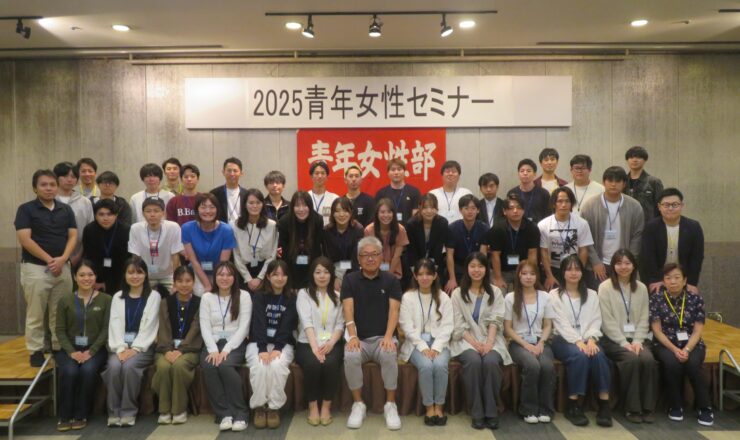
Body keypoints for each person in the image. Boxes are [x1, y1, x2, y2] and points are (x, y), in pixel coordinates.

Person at [15, 169, 77, 366]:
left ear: (57, 187)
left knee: (61, 311)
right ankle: (35, 350)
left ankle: (59, 347)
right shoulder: (26, 209)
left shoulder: (65, 209)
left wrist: (63, 259)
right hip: (36, 268)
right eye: (44, 185)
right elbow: (25, 239)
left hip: (63, 267)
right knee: (36, 312)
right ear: (35, 188)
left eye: (52, 184)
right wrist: (51, 260)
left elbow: (73, 236)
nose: (49, 188)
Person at [342, 236, 402, 430]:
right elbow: (348, 310)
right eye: (365, 255)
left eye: (374, 254)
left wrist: (388, 336)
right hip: (359, 338)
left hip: (382, 338)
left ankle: (390, 405)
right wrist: (352, 336)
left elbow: (394, 311)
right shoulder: (350, 280)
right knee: (351, 355)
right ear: (358, 258)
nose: (370, 258)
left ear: (381, 256)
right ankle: (358, 404)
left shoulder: (391, 280)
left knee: (389, 352)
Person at [548, 255, 612, 427]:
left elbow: (596, 320)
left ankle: (604, 404)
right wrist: (578, 341)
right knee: (580, 356)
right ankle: (573, 404)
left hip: (588, 339)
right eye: (569, 269)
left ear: (582, 272)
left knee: (599, 356)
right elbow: (560, 323)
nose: (573, 273)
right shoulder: (554, 295)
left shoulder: (592, 294)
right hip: (563, 340)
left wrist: (591, 339)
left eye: (577, 269)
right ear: (563, 272)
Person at [449, 252, 510, 430]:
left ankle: (491, 411)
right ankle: (477, 412)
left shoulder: (496, 292)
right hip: (465, 340)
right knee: (474, 361)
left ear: (486, 269)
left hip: (491, 339)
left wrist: (489, 343)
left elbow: (496, 320)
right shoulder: (457, 294)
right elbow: (458, 324)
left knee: (491, 361)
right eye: (473, 266)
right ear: (467, 269)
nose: (477, 270)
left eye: (481, 266)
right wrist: (475, 344)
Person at [650, 263, 713, 426]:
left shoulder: (695, 299)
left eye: (677, 277)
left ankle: (705, 407)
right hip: (665, 344)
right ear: (663, 281)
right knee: (672, 363)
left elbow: (697, 331)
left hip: (692, 344)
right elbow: (657, 330)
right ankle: (676, 405)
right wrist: (674, 349)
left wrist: (686, 349)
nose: (673, 281)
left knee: (692, 363)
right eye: (668, 278)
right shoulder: (656, 299)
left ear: (685, 280)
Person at [598, 249, 656, 424]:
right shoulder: (605, 287)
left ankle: (648, 408)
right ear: (613, 266)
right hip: (613, 340)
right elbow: (606, 321)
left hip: (637, 339)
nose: (623, 267)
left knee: (648, 359)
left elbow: (645, 317)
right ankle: (632, 409)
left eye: (627, 263)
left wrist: (637, 341)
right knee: (631, 360)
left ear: (634, 266)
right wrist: (624, 342)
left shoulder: (642, 288)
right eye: (619, 263)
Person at [54, 260, 111, 431]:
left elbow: (106, 329)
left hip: (95, 349)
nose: (86, 278)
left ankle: (81, 414)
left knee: (87, 370)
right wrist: (72, 352)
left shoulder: (106, 299)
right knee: (69, 372)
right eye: (82, 275)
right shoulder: (65, 300)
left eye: (90, 275)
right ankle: (65, 415)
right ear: (74, 277)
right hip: (69, 349)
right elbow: (60, 330)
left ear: (95, 277)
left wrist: (91, 352)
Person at [103, 256, 161, 427]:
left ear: (146, 275)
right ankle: (113, 412)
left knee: (129, 367)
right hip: (119, 347)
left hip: (143, 347)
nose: (135, 276)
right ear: (124, 275)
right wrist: (120, 348)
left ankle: (128, 411)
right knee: (113, 366)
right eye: (130, 272)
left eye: (139, 272)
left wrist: (135, 348)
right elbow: (114, 324)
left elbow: (150, 326)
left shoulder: (154, 296)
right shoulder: (117, 297)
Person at [399, 259, 453, 427]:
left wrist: (436, 347)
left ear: (435, 275)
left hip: (440, 342)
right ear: (415, 276)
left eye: (428, 274)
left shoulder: (444, 297)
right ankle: (429, 407)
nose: (424, 278)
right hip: (415, 343)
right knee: (426, 365)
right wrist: (423, 347)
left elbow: (448, 326)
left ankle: (439, 407)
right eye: (420, 274)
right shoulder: (407, 297)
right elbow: (406, 327)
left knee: (440, 365)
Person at [199, 261, 252, 432]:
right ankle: (224, 414)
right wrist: (214, 350)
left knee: (225, 365)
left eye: (229, 274)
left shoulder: (244, 296)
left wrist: (226, 350)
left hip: (235, 343)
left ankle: (241, 413)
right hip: (213, 343)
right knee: (209, 365)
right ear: (215, 277)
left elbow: (244, 328)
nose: (224, 278)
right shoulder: (207, 297)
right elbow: (205, 326)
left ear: (235, 278)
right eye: (221, 274)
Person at [504, 260, 557, 424]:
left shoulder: (545, 297)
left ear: (537, 276)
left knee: (547, 366)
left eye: (532, 274)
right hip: (518, 343)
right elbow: (508, 328)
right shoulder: (510, 297)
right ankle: (528, 409)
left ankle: (545, 409)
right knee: (532, 365)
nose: (528, 277)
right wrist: (526, 345)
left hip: (540, 341)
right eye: (524, 273)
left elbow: (547, 325)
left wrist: (541, 343)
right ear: (518, 275)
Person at [247, 260, 298, 429]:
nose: (280, 278)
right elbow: (258, 323)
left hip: (282, 343)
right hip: (258, 342)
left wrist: (277, 348)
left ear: (288, 277)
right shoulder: (259, 296)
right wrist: (262, 349)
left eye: (283, 274)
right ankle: (260, 407)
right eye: (275, 274)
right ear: (268, 276)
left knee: (277, 366)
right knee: (260, 366)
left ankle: (274, 407)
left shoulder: (291, 298)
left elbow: (287, 325)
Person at [295, 257, 345, 426]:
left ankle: (326, 407)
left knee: (331, 364)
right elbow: (306, 322)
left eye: (326, 272)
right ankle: (313, 407)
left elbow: (340, 324)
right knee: (313, 364)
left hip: (332, 342)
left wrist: (331, 343)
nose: (322, 276)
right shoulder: (304, 294)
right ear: (312, 274)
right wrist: (315, 348)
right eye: (318, 272)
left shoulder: (338, 297)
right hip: (307, 342)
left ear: (332, 275)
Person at [151, 266, 202, 425]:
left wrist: (181, 350)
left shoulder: (200, 303)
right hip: (166, 349)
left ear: (193, 282)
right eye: (180, 281)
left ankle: (179, 410)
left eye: (188, 281)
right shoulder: (166, 302)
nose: (184, 284)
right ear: (174, 283)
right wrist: (167, 350)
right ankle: (164, 410)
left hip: (190, 349)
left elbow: (195, 328)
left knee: (179, 366)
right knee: (164, 367)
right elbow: (163, 328)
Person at [581, 166, 644, 289]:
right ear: (604, 182)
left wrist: (627, 262)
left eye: (618, 181)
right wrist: (595, 262)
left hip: (624, 265)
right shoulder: (589, 206)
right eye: (610, 180)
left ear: (624, 184)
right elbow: (585, 238)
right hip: (597, 265)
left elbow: (637, 236)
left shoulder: (635, 206)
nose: (613, 184)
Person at [641, 188, 704, 294]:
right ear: (659, 207)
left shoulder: (694, 227)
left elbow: (696, 257)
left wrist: (691, 282)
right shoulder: (651, 227)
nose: (670, 208)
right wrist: (655, 280)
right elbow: (648, 257)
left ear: (682, 206)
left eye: (675, 205)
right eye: (666, 205)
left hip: (683, 279)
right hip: (658, 279)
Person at [538, 187, 594, 290]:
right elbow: (543, 252)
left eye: (567, 201)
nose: (563, 205)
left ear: (571, 203)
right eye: (560, 201)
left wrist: (578, 271)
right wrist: (549, 276)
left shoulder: (582, 223)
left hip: (573, 268)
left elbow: (583, 250)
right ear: (554, 204)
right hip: (552, 268)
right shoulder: (543, 225)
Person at [182, 193, 236, 296]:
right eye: (203, 207)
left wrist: (215, 285)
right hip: (197, 272)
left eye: (212, 207)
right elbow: (193, 261)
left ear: (217, 209)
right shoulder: (187, 228)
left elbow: (222, 263)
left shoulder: (226, 230)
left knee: (219, 295)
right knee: (200, 294)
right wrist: (207, 285)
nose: (207, 211)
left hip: (220, 272)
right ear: (197, 209)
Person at [482, 195, 540, 292]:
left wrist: (530, 274)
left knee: (529, 292)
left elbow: (532, 254)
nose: (515, 211)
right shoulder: (498, 229)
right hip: (502, 270)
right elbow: (495, 255)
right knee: (499, 292)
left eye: (519, 208)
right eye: (511, 208)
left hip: (523, 270)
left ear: (523, 210)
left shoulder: (532, 228)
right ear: (504, 211)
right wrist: (498, 278)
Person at [128, 197, 183, 290]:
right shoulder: (135, 228)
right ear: (143, 213)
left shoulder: (173, 227)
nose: (152, 214)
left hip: (169, 276)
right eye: (148, 211)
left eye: (156, 211)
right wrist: (138, 277)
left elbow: (175, 256)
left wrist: (176, 280)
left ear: (163, 213)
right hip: (145, 276)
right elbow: (136, 257)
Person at [233, 188, 278, 292]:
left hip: (265, 271)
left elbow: (272, 254)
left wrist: (260, 278)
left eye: (258, 202)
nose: (255, 206)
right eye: (251, 203)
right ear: (245, 205)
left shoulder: (271, 225)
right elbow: (236, 255)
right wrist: (248, 279)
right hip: (243, 272)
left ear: (263, 204)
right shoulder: (237, 225)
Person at [277, 191, 325, 289]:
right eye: (297, 206)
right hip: (291, 263)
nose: (301, 209)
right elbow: (284, 253)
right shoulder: (284, 222)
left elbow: (317, 248)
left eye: (305, 205)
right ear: (292, 207)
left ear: (310, 206)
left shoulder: (318, 220)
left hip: (312, 262)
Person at [82, 199, 131, 294]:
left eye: (109, 214)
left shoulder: (126, 230)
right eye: (101, 214)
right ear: (95, 215)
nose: (105, 218)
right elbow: (88, 257)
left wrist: (110, 283)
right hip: (95, 279)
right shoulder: (89, 230)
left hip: (120, 278)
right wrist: (95, 280)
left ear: (116, 215)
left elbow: (126, 260)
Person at [445, 194, 487, 293]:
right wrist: (452, 279)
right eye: (466, 208)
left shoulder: (484, 228)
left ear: (478, 210)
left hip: (476, 267)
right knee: (452, 290)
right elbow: (449, 255)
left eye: (473, 208)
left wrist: (482, 276)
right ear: (460, 210)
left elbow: (483, 254)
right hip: (458, 267)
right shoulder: (452, 228)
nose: (470, 211)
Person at [54, 161, 94, 264]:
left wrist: (79, 255)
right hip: (52, 255)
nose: (69, 179)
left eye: (73, 176)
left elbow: (90, 231)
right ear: (56, 177)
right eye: (65, 176)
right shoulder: (49, 200)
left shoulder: (85, 202)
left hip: (78, 256)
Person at [322, 197, 364, 290]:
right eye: (337, 211)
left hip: (352, 270)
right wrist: (334, 278)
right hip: (332, 271)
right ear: (333, 213)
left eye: (345, 211)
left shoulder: (358, 230)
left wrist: (346, 279)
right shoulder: (326, 231)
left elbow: (355, 259)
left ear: (351, 213)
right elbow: (326, 258)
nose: (341, 214)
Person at [405, 194, 449, 281]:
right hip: (415, 261)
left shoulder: (442, 223)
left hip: (435, 261)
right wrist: (416, 271)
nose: (429, 211)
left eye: (432, 208)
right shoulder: (412, 224)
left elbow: (438, 248)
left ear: (437, 209)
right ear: (419, 208)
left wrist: (432, 270)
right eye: (425, 208)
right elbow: (411, 250)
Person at [364, 198, 410, 280]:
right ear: (377, 214)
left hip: (394, 272)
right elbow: (371, 255)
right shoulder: (369, 230)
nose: (386, 215)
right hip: (374, 271)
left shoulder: (400, 230)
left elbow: (397, 256)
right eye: (382, 212)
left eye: (389, 212)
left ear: (393, 214)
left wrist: (388, 276)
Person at [375, 158, 422, 225]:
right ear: (388, 173)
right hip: (387, 229)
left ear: (404, 172)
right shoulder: (381, 193)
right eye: (393, 170)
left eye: (399, 169)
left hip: (408, 229)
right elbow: (377, 215)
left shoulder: (414, 192)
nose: (396, 172)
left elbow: (416, 217)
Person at [624, 146, 664, 221]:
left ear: (645, 160)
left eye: (639, 157)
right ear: (627, 160)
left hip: (648, 224)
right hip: (627, 223)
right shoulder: (622, 181)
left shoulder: (654, 182)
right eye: (631, 157)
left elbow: (661, 207)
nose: (634, 160)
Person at [507, 159, 552, 224]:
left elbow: (548, 216)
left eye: (528, 171)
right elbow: (508, 213)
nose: (525, 173)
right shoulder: (512, 193)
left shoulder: (543, 193)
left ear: (535, 174)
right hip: (518, 227)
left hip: (538, 228)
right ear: (518, 174)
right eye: (522, 171)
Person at [210, 157, 248, 224]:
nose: (232, 174)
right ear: (223, 172)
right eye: (229, 170)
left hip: (242, 229)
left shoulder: (247, 194)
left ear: (241, 173)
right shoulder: (214, 194)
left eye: (235, 171)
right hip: (222, 228)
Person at [308, 161, 339, 226]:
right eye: (316, 173)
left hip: (328, 231)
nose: (320, 176)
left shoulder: (335, 198)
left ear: (327, 177)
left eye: (323, 173)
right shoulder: (305, 197)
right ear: (311, 176)